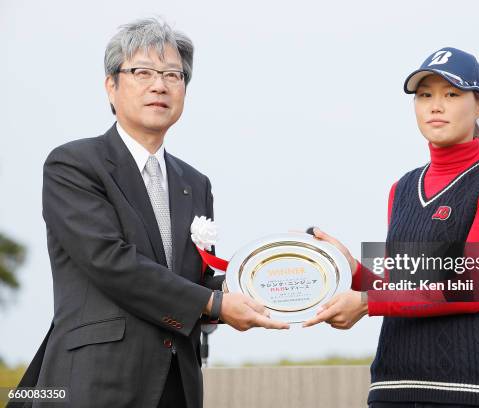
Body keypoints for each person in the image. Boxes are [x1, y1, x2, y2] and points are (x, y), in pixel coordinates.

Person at [10, 18, 287, 408]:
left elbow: (190, 281)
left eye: (173, 75)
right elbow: (110, 261)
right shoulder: (73, 165)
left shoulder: (196, 182)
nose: (160, 85)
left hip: (179, 385)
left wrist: (270, 282)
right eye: (143, 72)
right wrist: (213, 304)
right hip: (95, 383)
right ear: (112, 85)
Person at [304, 47, 479, 407]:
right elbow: (402, 290)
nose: (436, 105)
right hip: (393, 389)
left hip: (468, 393)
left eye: (452, 94)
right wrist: (351, 270)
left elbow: (470, 288)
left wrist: (366, 302)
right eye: (425, 95)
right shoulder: (402, 188)